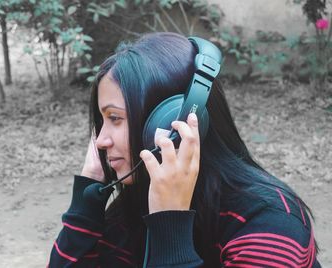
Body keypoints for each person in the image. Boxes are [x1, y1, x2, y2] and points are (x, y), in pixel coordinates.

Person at [48, 32, 321, 267]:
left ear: (170, 124)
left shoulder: (270, 227)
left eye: (115, 118)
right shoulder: (134, 208)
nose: (100, 140)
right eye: (102, 120)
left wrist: (170, 226)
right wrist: (87, 198)